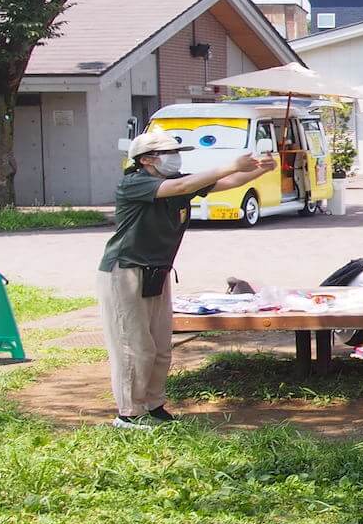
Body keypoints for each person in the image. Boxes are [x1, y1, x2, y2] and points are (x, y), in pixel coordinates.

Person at [97, 131, 275, 429]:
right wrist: (232, 164)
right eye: (167, 153)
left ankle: (153, 406)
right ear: (146, 160)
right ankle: (128, 413)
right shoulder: (136, 183)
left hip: (158, 271)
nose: (175, 158)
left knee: (160, 345)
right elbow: (183, 184)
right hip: (126, 272)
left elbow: (226, 183)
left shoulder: (178, 183)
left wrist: (259, 169)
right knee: (134, 345)